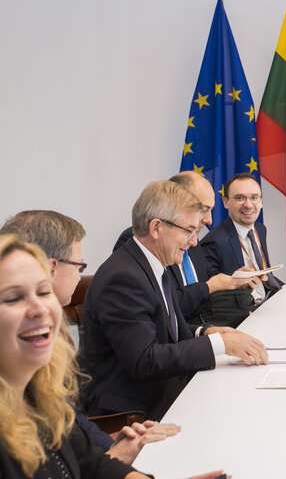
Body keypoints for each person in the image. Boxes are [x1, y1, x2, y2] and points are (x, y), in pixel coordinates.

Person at [0, 210, 180, 464]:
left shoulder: (48, 332)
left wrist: (112, 454)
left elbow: (65, 418)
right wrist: (111, 456)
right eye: (79, 266)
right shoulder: (35, 339)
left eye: (42, 293)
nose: (38, 308)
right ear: (51, 267)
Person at [80, 180, 269, 421]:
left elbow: (164, 329)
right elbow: (145, 360)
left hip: (162, 390)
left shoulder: (154, 262)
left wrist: (206, 333)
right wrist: (220, 344)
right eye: (188, 231)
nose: (193, 242)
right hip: (133, 409)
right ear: (157, 227)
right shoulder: (124, 277)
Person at [113, 171, 263, 321]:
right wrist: (209, 288)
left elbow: (205, 287)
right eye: (203, 209)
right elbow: (162, 304)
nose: (210, 220)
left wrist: (234, 282)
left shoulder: (193, 242)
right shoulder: (140, 240)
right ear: (178, 201)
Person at [201, 173, 284, 303]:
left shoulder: (260, 229)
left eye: (254, 198)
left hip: (268, 301)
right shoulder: (214, 241)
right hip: (242, 311)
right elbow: (209, 289)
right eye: (240, 198)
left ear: (261, 202)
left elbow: (266, 274)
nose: (248, 205)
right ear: (226, 202)